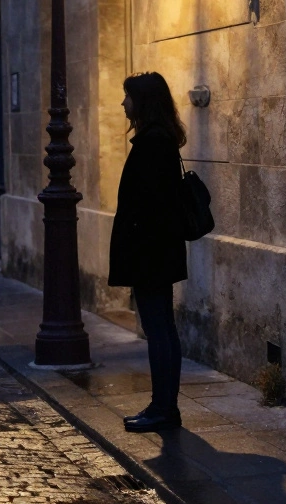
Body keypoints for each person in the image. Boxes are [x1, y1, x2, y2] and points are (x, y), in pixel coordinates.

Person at [109, 71, 188, 433]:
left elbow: (152, 205)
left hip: (151, 253)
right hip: (157, 251)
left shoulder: (153, 143)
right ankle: (165, 407)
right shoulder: (159, 139)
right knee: (163, 328)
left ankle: (163, 409)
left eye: (127, 96)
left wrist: (135, 247)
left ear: (143, 101)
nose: (123, 103)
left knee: (158, 330)